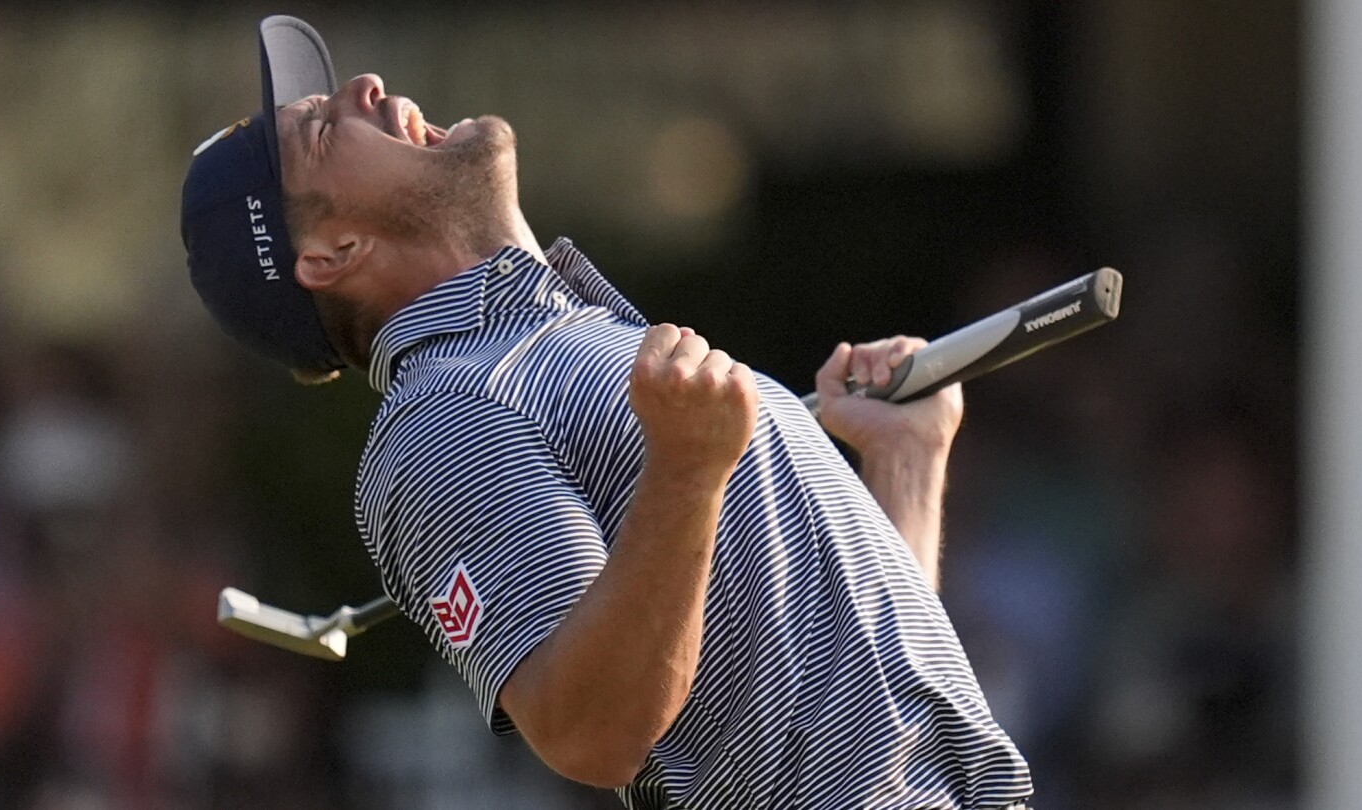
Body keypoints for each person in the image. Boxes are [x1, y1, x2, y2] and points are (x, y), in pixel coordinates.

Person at [180, 15, 1032, 810]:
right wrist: (687, 472)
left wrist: (904, 465)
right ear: (334, 254)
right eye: (326, 130)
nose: (365, 85)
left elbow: (847, 698)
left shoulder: (575, 344)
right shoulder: (442, 418)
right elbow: (588, 733)